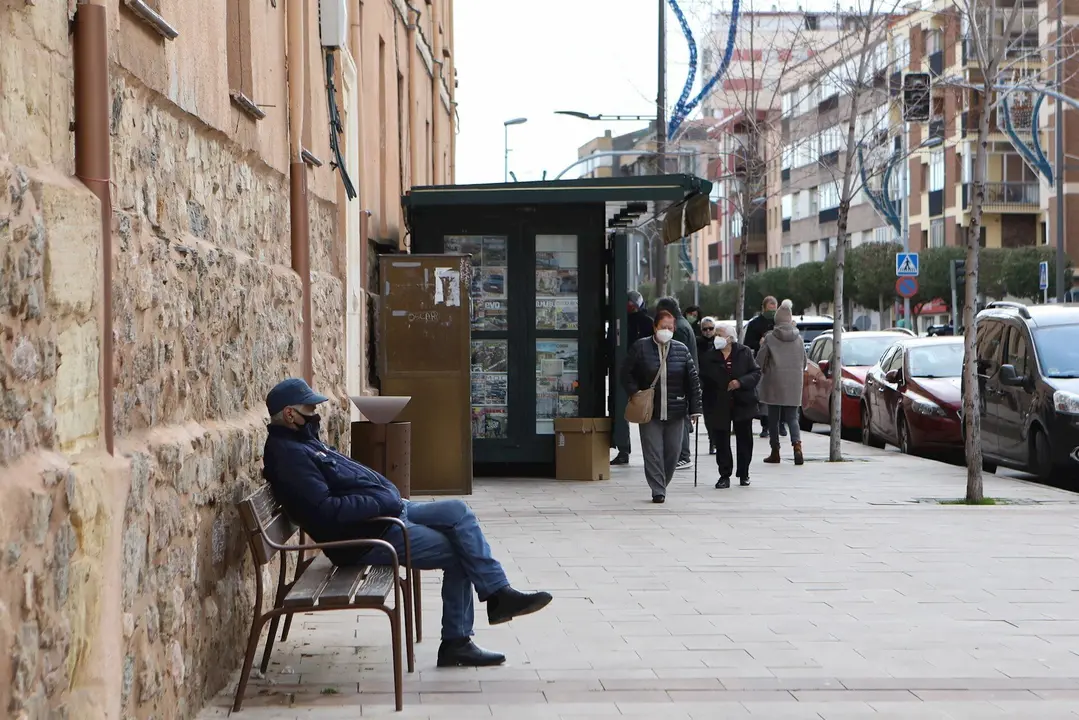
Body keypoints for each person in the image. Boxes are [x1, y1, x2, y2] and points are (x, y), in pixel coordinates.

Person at [261, 378, 552, 668]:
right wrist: (381, 501)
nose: (315, 414)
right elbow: (326, 511)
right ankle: (457, 642)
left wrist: (385, 497)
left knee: (458, 512)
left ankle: (499, 593)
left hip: (388, 514)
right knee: (460, 552)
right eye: (309, 409)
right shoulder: (289, 456)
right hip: (369, 534)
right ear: (289, 414)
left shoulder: (304, 442)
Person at [621, 310, 703, 503]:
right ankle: (658, 489)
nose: (667, 331)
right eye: (663, 327)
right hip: (650, 411)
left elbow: (692, 380)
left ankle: (662, 481)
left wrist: (696, 408)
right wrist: (635, 392)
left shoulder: (681, 350)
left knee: (673, 453)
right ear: (655, 327)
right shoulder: (640, 347)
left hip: (676, 410)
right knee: (653, 452)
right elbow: (626, 373)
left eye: (670, 327)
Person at [699, 324, 761, 488]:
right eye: (716, 334)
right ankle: (724, 474)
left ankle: (744, 473)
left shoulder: (744, 352)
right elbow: (702, 378)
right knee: (721, 440)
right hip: (718, 402)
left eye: (720, 334)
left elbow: (755, 373)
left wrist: (740, 382)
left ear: (729, 338)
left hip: (743, 402)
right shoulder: (709, 356)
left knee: (745, 439)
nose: (716, 337)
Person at [755, 300, 807, 466]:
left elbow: (760, 360)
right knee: (792, 417)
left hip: (773, 381)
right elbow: (804, 362)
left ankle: (775, 451)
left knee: (773, 418)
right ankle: (797, 446)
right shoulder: (798, 339)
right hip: (794, 382)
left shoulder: (770, 338)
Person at [654, 296, 698, 471]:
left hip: (678, 379)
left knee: (680, 418)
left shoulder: (677, 328)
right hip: (684, 377)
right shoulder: (683, 324)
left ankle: (683, 455)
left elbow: (674, 355)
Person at [612, 291, 656, 466]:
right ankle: (624, 449)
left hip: (643, 373)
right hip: (628, 372)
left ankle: (644, 450)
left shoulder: (645, 322)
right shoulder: (623, 322)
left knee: (646, 410)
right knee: (624, 410)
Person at [743, 296, 784, 439]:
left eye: (775, 307)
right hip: (762, 364)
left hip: (779, 364)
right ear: (764, 307)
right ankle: (765, 425)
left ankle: (781, 424)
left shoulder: (780, 323)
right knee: (764, 395)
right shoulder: (755, 324)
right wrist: (758, 343)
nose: (773, 310)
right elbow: (747, 344)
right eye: (770, 307)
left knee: (779, 394)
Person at [696, 317, 720, 454]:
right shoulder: (698, 344)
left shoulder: (719, 342)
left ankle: (717, 440)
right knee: (709, 415)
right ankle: (713, 441)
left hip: (719, 383)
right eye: (705, 329)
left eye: (711, 328)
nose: (708, 331)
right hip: (705, 383)